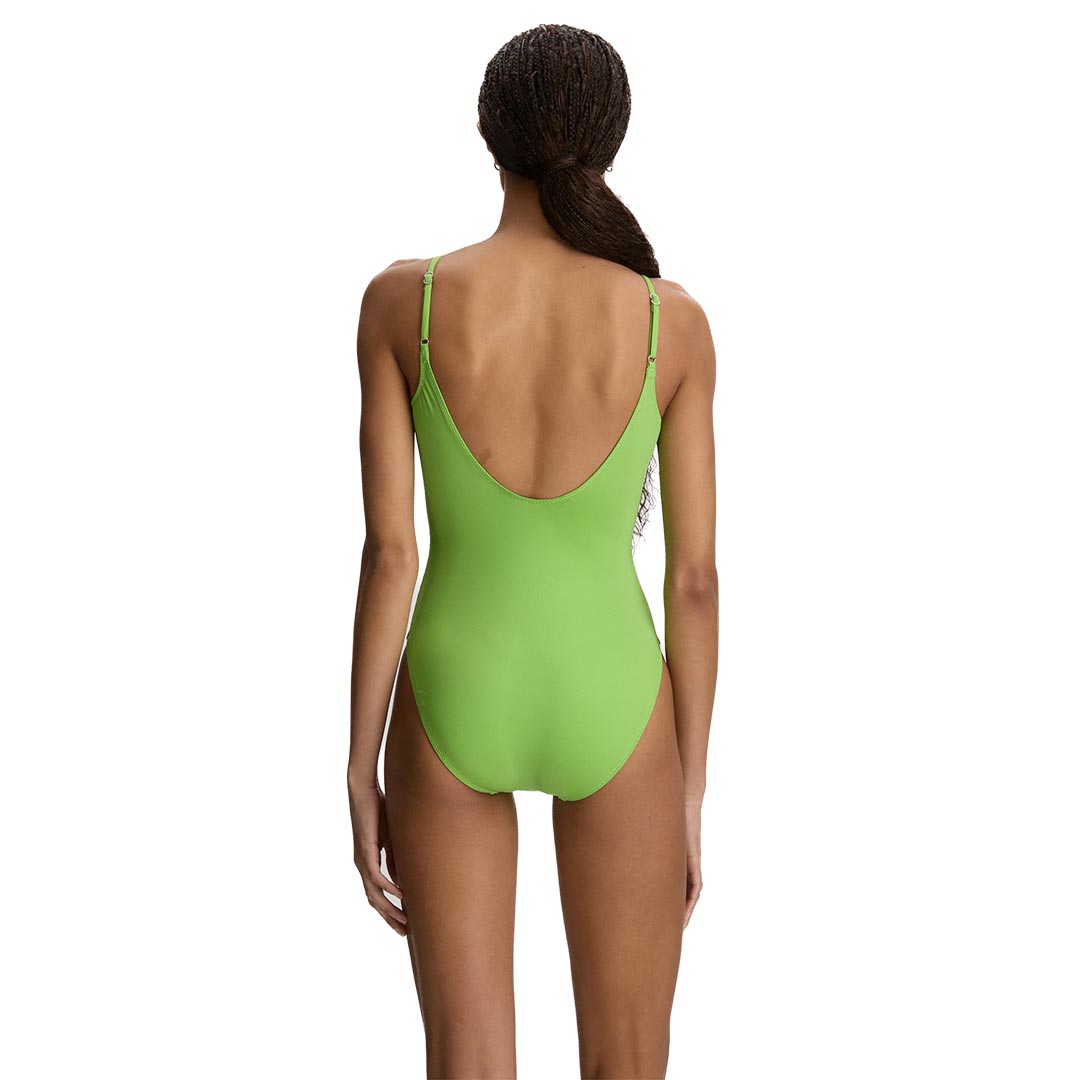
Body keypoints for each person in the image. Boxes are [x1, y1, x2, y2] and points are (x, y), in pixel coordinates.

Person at [348, 24, 717, 1079]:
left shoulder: (404, 302)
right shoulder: (672, 323)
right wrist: (689, 789)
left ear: (487, 133)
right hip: (615, 696)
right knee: (629, 1063)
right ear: (612, 142)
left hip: (455, 686)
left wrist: (360, 763)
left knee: (465, 1063)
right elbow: (694, 581)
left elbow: (389, 554)